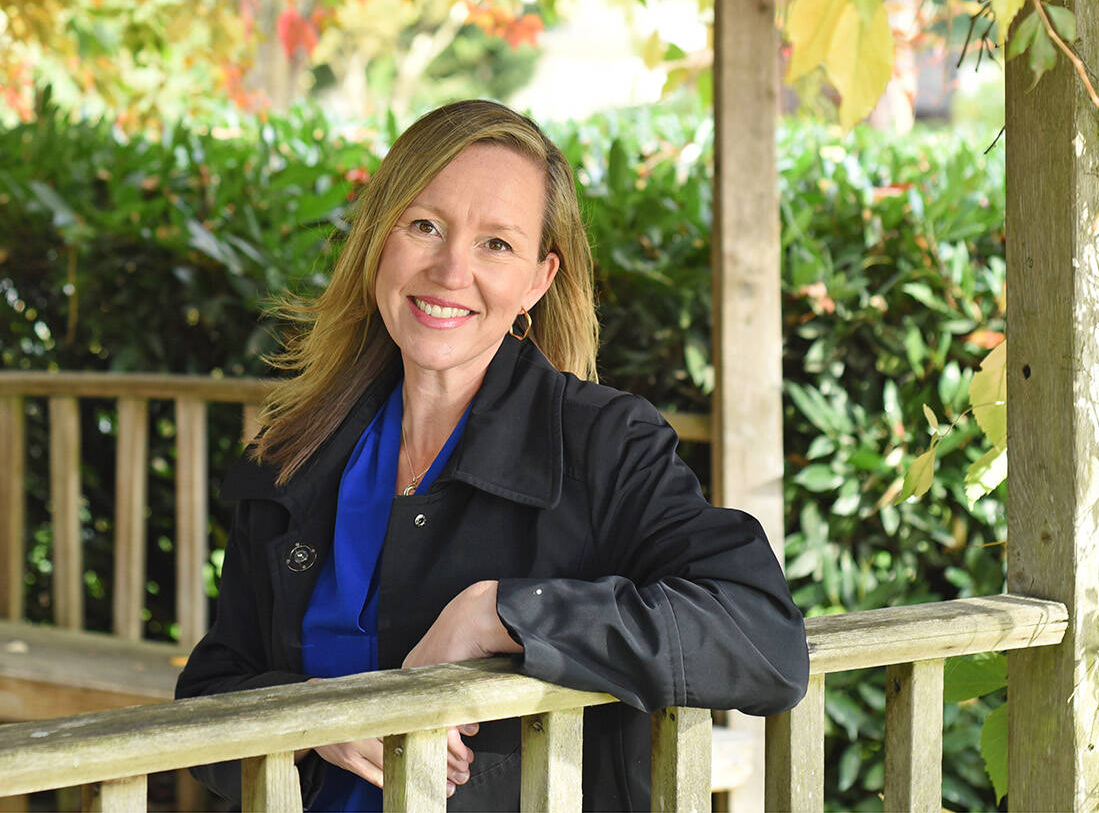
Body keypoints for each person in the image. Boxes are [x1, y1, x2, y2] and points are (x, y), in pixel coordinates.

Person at [176, 99, 808, 810]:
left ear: (538, 279)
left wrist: (503, 613)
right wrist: (312, 718)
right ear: (378, 240)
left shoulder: (602, 445)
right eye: (425, 226)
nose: (451, 270)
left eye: (495, 245)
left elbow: (762, 638)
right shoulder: (296, 453)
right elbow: (210, 694)